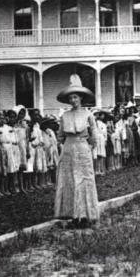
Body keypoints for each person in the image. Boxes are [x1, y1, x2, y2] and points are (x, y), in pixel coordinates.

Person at [54, 74, 100, 229]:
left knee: (84, 180)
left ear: (81, 98)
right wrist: (64, 145)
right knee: (70, 180)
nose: (73, 100)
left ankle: (86, 215)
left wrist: (88, 147)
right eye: (71, 98)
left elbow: (94, 135)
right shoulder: (65, 115)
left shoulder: (88, 114)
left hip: (82, 148)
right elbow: (60, 135)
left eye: (76, 97)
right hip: (68, 149)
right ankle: (73, 214)